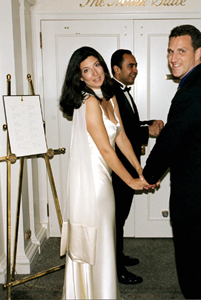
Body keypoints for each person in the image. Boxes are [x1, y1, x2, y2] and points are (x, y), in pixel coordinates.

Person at [142, 25, 201, 299]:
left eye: (181, 51)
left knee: (193, 271)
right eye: (171, 51)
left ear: (198, 53)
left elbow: (170, 141)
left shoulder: (191, 92)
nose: (174, 57)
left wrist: (147, 175)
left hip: (197, 202)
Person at [59, 46, 151, 299]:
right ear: (80, 78)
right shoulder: (88, 103)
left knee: (106, 236)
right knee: (98, 237)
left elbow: (120, 137)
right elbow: (105, 150)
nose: (95, 73)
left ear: (103, 65)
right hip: (93, 182)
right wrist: (131, 180)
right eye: (86, 70)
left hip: (104, 179)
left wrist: (138, 167)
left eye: (96, 65)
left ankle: (103, 291)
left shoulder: (108, 97)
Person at [110, 49, 164, 284]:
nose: (135, 70)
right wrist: (146, 131)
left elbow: (128, 124)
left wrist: (147, 123)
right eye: (130, 66)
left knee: (119, 218)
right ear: (116, 70)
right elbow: (116, 131)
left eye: (136, 65)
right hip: (118, 168)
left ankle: (117, 255)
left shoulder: (122, 92)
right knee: (116, 218)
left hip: (129, 166)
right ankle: (115, 268)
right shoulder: (110, 93)